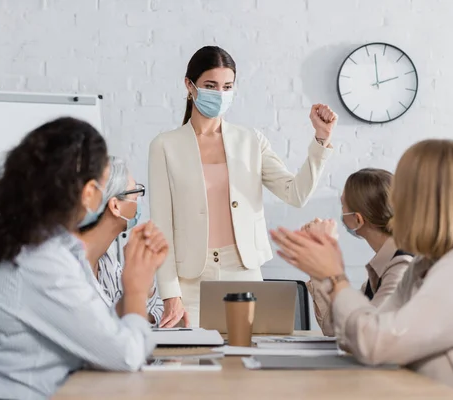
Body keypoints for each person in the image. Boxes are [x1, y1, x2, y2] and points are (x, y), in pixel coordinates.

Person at [270, 139, 453, 399]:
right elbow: (363, 334)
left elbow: (376, 344)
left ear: (424, 200)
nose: (393, 203)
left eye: (401, 190)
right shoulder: (426, 264)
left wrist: (335, 276)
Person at [0, 117, 168, 400]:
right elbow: (126, 356)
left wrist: (132, 288)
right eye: (101, 183)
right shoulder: (42, 262)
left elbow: (98, 328)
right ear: (89, 192)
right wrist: (137, 286)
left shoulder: (54, 249)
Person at [149, 45, 338, 328]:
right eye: (210, 85)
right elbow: (161, 225)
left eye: (227, 86)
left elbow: (295, 193)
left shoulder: (251, 140)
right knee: (192, 367)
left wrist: (321, 140)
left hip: (243, 273)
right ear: (189, 85)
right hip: (190, 281)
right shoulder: (165, 145)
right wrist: (169, 293)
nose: (220, 94)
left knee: (246, 365)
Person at [302, 168, 413, 336]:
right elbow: (332, 327)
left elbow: (365, 332)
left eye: (342, 205)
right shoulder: (382, 266)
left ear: (357, 219)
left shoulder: (402, 266)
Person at [78, 156, 164, 326]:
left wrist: (144, 277)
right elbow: (109, 330)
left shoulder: (107, 259)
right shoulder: (73, 265)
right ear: (115, 206)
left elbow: (158, 313)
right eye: (135, 192)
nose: (139, 200)